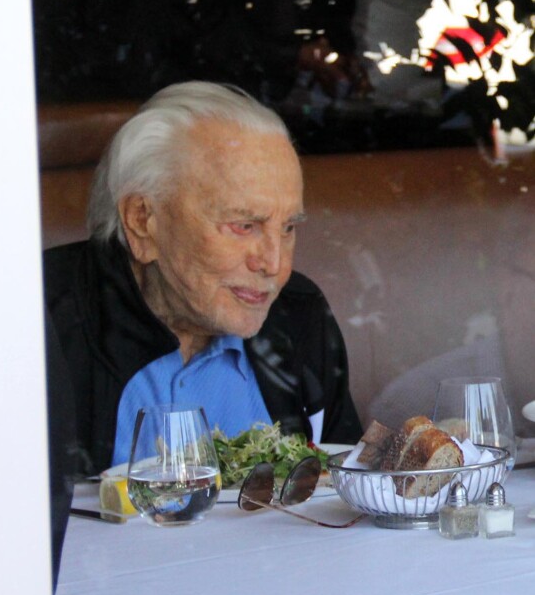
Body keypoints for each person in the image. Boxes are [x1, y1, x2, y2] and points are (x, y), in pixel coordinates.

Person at [44, 81, 362, 476]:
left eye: (288, 228)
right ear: (143, 221)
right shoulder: (44, 325)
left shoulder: (297, 317)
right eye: (244, 225)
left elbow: (349, 497)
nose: (273, 264)